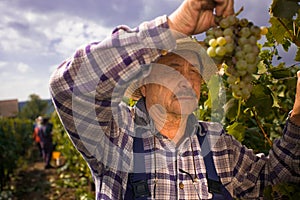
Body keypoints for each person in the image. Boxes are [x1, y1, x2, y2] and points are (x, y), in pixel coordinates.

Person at [49, 0, 300, 199]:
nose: (186, 79)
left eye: (194, 72)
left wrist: (298, 117)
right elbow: (69, 86)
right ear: (144, 85)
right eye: (173, 68)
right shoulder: (116, 137)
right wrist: (172, 28)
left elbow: (272, 183)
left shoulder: (218, 144)